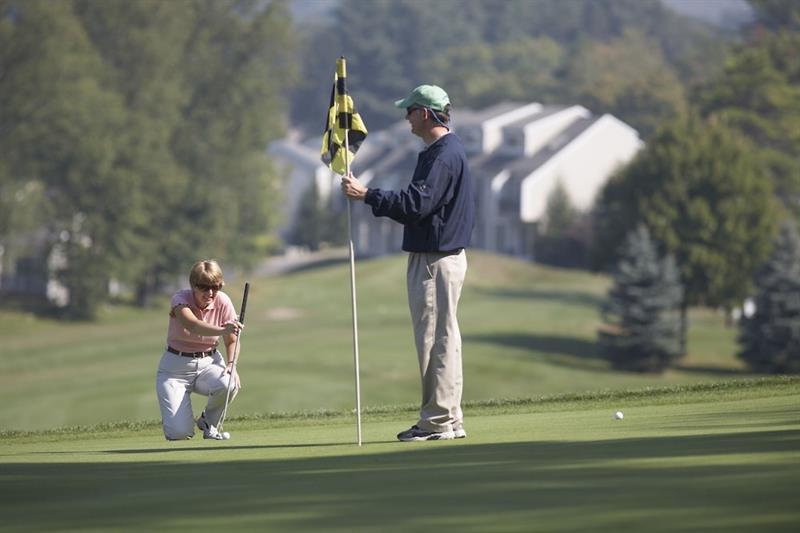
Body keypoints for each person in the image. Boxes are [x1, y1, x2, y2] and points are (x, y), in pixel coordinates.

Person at [341, 84, 475, 441]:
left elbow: (417, 204)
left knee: (437, 340)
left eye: (411, 110)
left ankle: (438, 422)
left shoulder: (444, 156)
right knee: (442, 339)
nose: (406, 117)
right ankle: (448, 418)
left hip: (437, 259)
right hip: (435, 255)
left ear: (427, 114)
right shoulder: (438, 152)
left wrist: (368, 195)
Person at [156, 259, 243, 440]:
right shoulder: (180, 299)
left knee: (229, 384)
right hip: (175, 369)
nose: (210, 292)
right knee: (180, 433)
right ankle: (183, 427)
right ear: (193, 285)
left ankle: (208, 422)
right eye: (204, 287)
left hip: (209, 362)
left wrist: (232, 364)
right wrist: (222, 330)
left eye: (216, 286)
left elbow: (231, 340)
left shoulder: (223, 301)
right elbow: (192, 325)